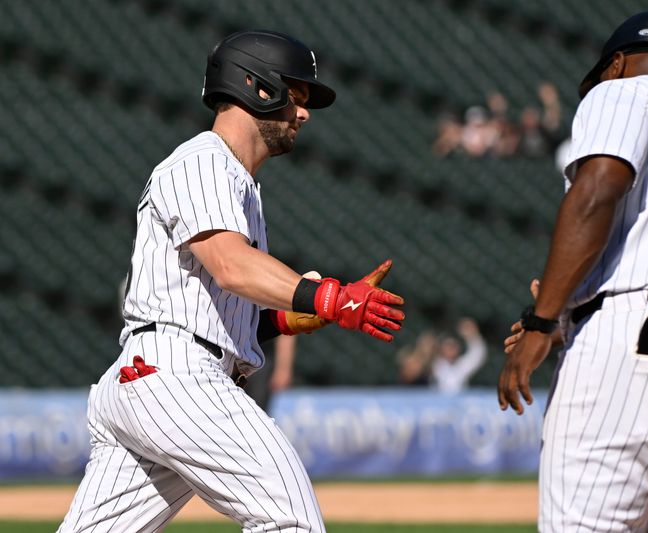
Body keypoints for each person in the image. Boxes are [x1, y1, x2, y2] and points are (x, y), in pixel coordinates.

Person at [58, 30, 404, 533]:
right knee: (290, 517)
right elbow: (231, 266)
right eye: (297, 96)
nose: (303, 113)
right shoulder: (205, 161)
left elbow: (206, 306)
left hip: (156, 376)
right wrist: (329, 297)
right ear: (256, 86)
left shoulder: (236, 181)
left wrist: (283, 319)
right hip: (176, 378)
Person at [498, 11, 648, 532]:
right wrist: (568, 305)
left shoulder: (622, 92)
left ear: (616, 62)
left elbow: (598, 191)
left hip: (637, 334)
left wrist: (542, 324)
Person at [431, 318, 487, 394]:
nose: (450, 350)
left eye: (453, 347)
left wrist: (473, 336)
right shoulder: (434, 363)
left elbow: (477, 354)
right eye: (448, 346)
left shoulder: (461, 365)